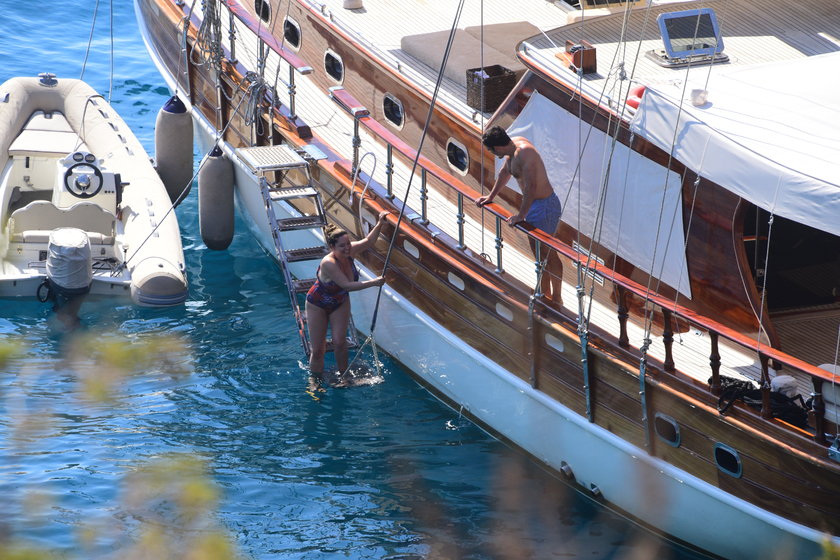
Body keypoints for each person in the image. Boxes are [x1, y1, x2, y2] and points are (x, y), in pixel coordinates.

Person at [476, 126, 564, 303]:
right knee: (538, 253)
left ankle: (556, 297)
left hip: (545, 206)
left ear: (497, 148)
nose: (492, 153)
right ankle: (544, 291)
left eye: (491, 150)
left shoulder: (525, 153)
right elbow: (504, 173)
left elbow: (531, 187)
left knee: (547, 253)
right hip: (534, 207)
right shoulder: (511, 152)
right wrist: (490, 197)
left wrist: (520, 216)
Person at [305, 211, 388, 386]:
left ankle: (344, 376)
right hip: (318, 304)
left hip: (339, 302)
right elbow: (347, 286)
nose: (347, 248)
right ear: (332, 247)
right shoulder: (328, 263)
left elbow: (368, 242)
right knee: (318, 349)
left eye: (348, 243)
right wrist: (374, 282)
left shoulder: (350, 250)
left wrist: (380, 223)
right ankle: (314, 383)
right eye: (342, 246)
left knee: (340, 342)